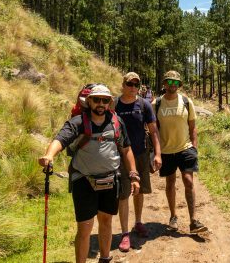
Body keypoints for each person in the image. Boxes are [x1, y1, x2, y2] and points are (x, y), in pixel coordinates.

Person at [38, 84, 140, 263]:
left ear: (109, 102)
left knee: (106, 220)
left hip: (110, 179)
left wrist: (133, 174)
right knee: (85, 227)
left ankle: (105, 258)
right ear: (90, 101)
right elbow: (60, 140)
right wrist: (49, 155)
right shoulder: (77, 122)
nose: (101, 103)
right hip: (83, 181)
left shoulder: (116, 122)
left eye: (105, 100)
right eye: (97, 99)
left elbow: (126, 149)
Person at [153, 71, 208, 234]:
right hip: (166, 150)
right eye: (169, 82)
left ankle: (193, 221)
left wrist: (195, 147)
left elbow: (193, 126)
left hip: (185, 148)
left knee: (188, 181)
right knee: (170, 183)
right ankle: (173, 216)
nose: (172, 85)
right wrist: (155, 152)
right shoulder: (155, 103)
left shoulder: (186, 101)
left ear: (179, 85)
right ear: (164, 84)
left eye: (175, 83)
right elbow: (153, 130)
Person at [115, 72, 162, 251]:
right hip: (120, 156)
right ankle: (125, 233)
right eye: (130, 84)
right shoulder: (114, 104)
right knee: (123, 194)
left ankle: (138, 222)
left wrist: (158, 154)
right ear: (123, 84)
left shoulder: (144, 105)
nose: (133, 87)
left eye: (136, 84)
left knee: (139, 190)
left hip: (141, 154)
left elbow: (154, 131)